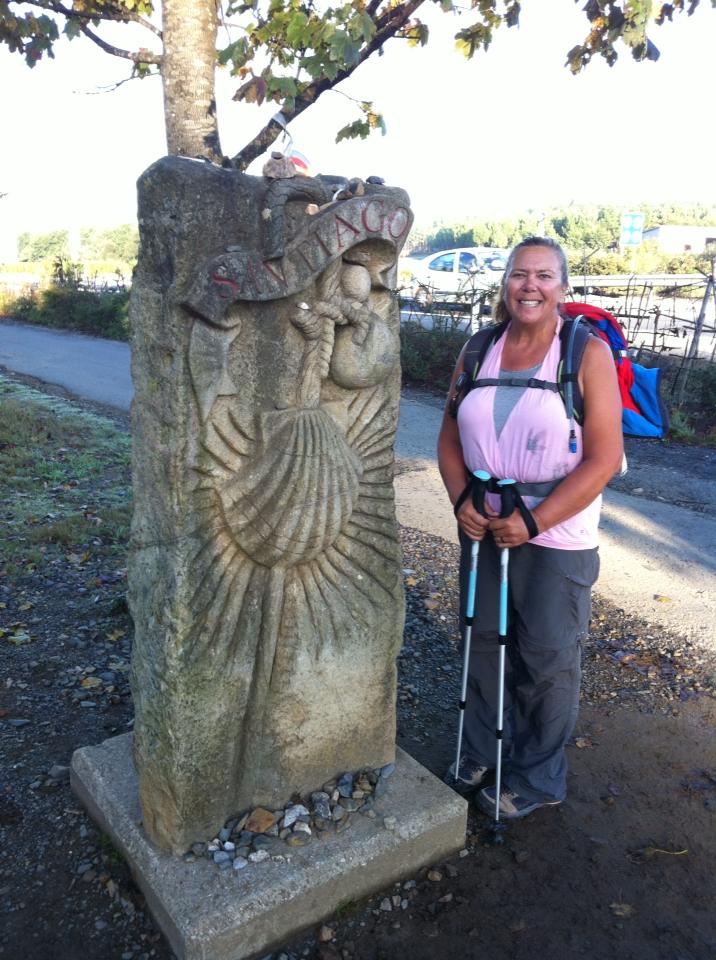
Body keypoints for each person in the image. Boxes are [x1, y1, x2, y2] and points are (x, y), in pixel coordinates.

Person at [437, 236, 623, 820]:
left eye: (544, 275)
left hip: (556, 537)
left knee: (545, 655)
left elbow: (603, 460)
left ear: (562, 287)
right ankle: (480, 751)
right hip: (485, 525)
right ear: (505, 285)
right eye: (520, 274)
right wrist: (461, 497)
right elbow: (448, 434)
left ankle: (538, 775)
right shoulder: (478, 349)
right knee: (483, 642)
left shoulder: (582, 352)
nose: (530, 286)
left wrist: (535, 519)